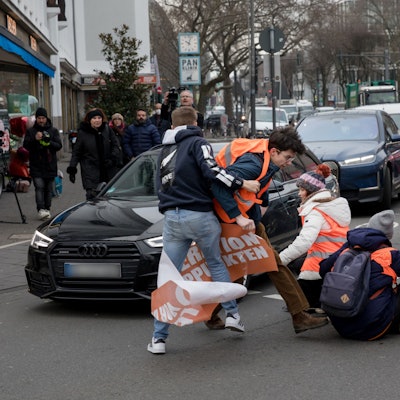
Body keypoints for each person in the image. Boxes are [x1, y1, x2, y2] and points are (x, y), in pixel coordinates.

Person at [147, 106, 260, 354]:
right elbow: (212, 171)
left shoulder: (165, 149)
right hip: (199, 215)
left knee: (168, 277)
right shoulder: (198, 142)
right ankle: (232, 315)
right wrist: (243, 183)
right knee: (215, 264)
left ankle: (159, 339)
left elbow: (159, 186)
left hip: (172, 218)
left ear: (174, 125)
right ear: (195, 122)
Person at [211, 127, 329, 334]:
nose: (289, 162)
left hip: (245, 221)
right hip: (234, 222)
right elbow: (219, 185)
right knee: (270, 265)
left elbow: (258, 188)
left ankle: (211, 314)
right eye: (287, 157)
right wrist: (239, 218)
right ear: (274, 151)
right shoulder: (252, 163)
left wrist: (256, 212)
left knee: (251, 270)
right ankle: (299, 315)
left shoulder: (265, 160)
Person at [320, 210, 400, 340]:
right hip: (372, 328)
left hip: (340, 324)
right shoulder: (391, 255)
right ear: (388, 235)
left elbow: (323, 269)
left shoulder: (347, 248)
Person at [278, 164, 351, 308]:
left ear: (311, 192)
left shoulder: (315, 211)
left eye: (302, 189)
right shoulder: (332, 205)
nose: (299, 193)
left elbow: (304, 241)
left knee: (302, 299)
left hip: (322, 260)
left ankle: (318, 305)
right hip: (341, 256)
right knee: (298, 263)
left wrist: (281, 259)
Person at [67, 108, 120, 200]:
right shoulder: (83, 133)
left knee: (109, 198)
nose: (97, 120)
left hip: (108, 170)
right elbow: (76, 152)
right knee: (93, 198)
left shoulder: (107, 129)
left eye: (99, 118)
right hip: (90, 171)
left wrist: (112, 158)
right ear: (89, 120)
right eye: (94, 118)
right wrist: (72, 168)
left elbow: (116, 145)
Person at [23, 107, 62, 220]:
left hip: (50, 165)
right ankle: (41, 209)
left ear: (46, 118)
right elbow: (26, 146)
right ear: (36, 118)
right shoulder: (31, 131)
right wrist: (35, 139)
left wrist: (48, 142)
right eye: (39, 118)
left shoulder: (53, 130)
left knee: (48, 189)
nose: (41, 120)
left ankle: (47, 208)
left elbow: (58, 146)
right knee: (39, 187)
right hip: (36, 164)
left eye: (43, 118)